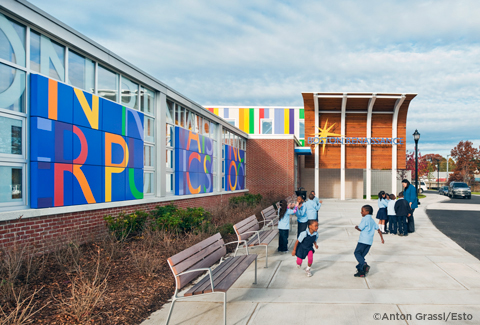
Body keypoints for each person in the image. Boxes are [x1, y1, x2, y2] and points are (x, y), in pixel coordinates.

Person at [354, 205, 384, 277]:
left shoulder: (365, 219)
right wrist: (382, 239)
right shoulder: (372, 220)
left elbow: (360, 228)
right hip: (369, 242)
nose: (361, 212)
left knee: (357, 253)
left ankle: (365, 265)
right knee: (361, 256)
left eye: (362, 211)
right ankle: (361, 272)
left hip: (363, 240)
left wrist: (356, 227)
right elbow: (378, 229)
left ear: (367, 212)